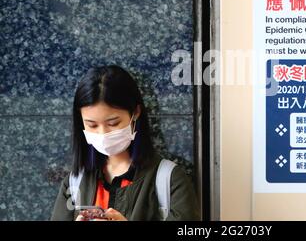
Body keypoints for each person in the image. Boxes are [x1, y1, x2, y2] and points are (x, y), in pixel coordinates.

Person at [50, 65, 200, 221]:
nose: (103, 133)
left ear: (135, 112)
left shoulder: (169, 179)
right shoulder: (75, 182)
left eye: (113, 123)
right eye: (92, 125)